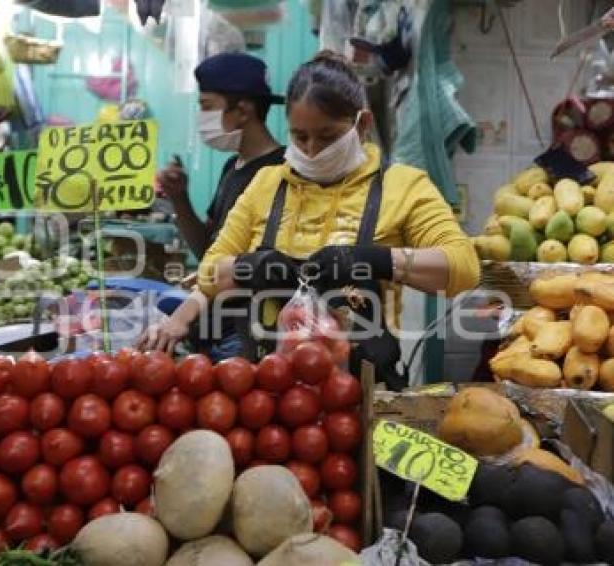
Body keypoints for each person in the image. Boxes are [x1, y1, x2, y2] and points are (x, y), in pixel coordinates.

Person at [195, 51, 479, 388]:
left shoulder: (403, 186)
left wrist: (377, 260)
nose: (312, 150)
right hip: (269, 393)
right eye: (300, 136)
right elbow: (208, 272)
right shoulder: (267, 184)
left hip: (358, 393)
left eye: (328, 136)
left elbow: (463, 268)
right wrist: (252, 266)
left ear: (363, 125)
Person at [138, 52, 286, 357]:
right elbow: (209, 250)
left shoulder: (280, 173)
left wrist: (186, 313)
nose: (201, 117)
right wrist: (179, 198)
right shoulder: (232, 167)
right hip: (211, 326)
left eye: (206, 106)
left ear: (243, 110)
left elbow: (252, 269)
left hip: (247, 336)